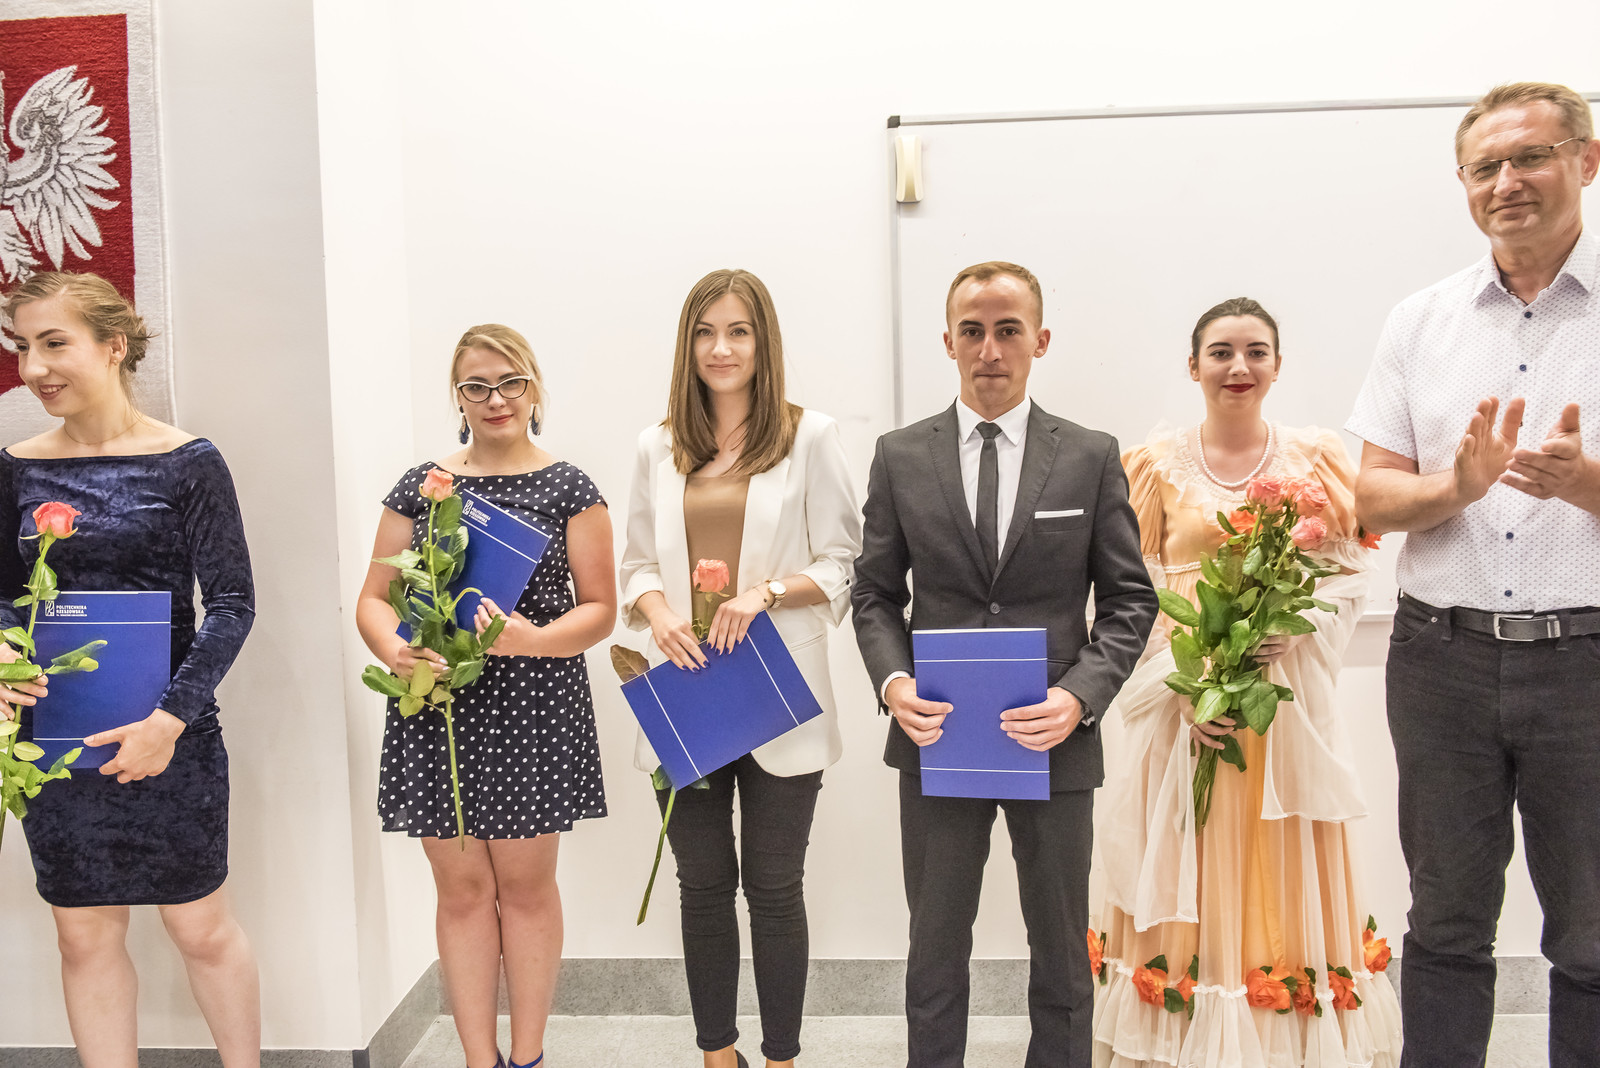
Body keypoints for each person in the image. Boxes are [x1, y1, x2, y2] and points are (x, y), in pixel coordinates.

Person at [1346, 81, 1600, 1068]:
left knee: (1591, 931)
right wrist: (1453, 486)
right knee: (1446, 922)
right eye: (1484, 167)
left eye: (1529, 157)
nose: (1506, 182)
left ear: (1586, 161)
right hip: (1440, 660)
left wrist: (1584, 485)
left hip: (1586, 663)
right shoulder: (1420, 321)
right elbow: (1372, 499)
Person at [852, 260, 1157, 1068]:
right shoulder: (899, 456)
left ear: (1040, 340)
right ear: (948, 342)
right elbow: (873, 593)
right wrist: (894, 683)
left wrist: (1079, 697)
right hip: (937, 736)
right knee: (934, 948)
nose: (990, 349)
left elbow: (1130, 601)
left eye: (1008, 330)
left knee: (1061, 951)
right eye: (973, 331)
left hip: (1052, 738)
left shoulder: (1090, 455)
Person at [1092, 298, 1401, 1067]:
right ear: (1193, 365)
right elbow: (1133, 593)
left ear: (1277, 365)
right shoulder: (1150, 467)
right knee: (1190, 861)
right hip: (1186, 711)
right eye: (1222, 352)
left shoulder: (1316, 459)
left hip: (1280, 710)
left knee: (1276, 869)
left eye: (1256, 352)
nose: (1239, 367)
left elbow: (1350, 575)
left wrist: (1291, 627)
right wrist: (1186, 687)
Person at [0, 272, 259, 1067]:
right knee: (82, 934)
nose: (34, 367)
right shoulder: (13, 467)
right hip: (56, 738)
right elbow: (4, 599)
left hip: (173, 734)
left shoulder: (188, 462)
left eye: (54, 343)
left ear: (114, 346)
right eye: (22, 347)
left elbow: (233, 604)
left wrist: (167, 722)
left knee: (199, 927)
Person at [619, 268, 861, 1068]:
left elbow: (842, 562)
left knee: (775, 888)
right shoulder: (658, 445)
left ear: (764, 343)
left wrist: (765, 593)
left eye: (738, 332)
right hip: (686, 688)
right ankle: (716, 1055)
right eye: (705, 332)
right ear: (687, 345)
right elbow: (636, 565)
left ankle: (782, 1057)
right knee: (701, 886)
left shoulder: (810, 435)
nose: (720, 348)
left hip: (777, 690)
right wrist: (657, 613)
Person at [356, 324, 614, 1068]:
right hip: (438, 702)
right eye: (477, 385)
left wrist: (533, 639)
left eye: (511, 382)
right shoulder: (421, 485)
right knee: (462, 891)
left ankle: (527, 1057)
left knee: (527, 890)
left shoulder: (570, 488)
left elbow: (600, 609)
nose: (495, 398)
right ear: (458, 397)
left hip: (533, 703)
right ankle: (479, 1059)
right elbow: (373, 598)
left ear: (534, 389)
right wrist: (397, 651)